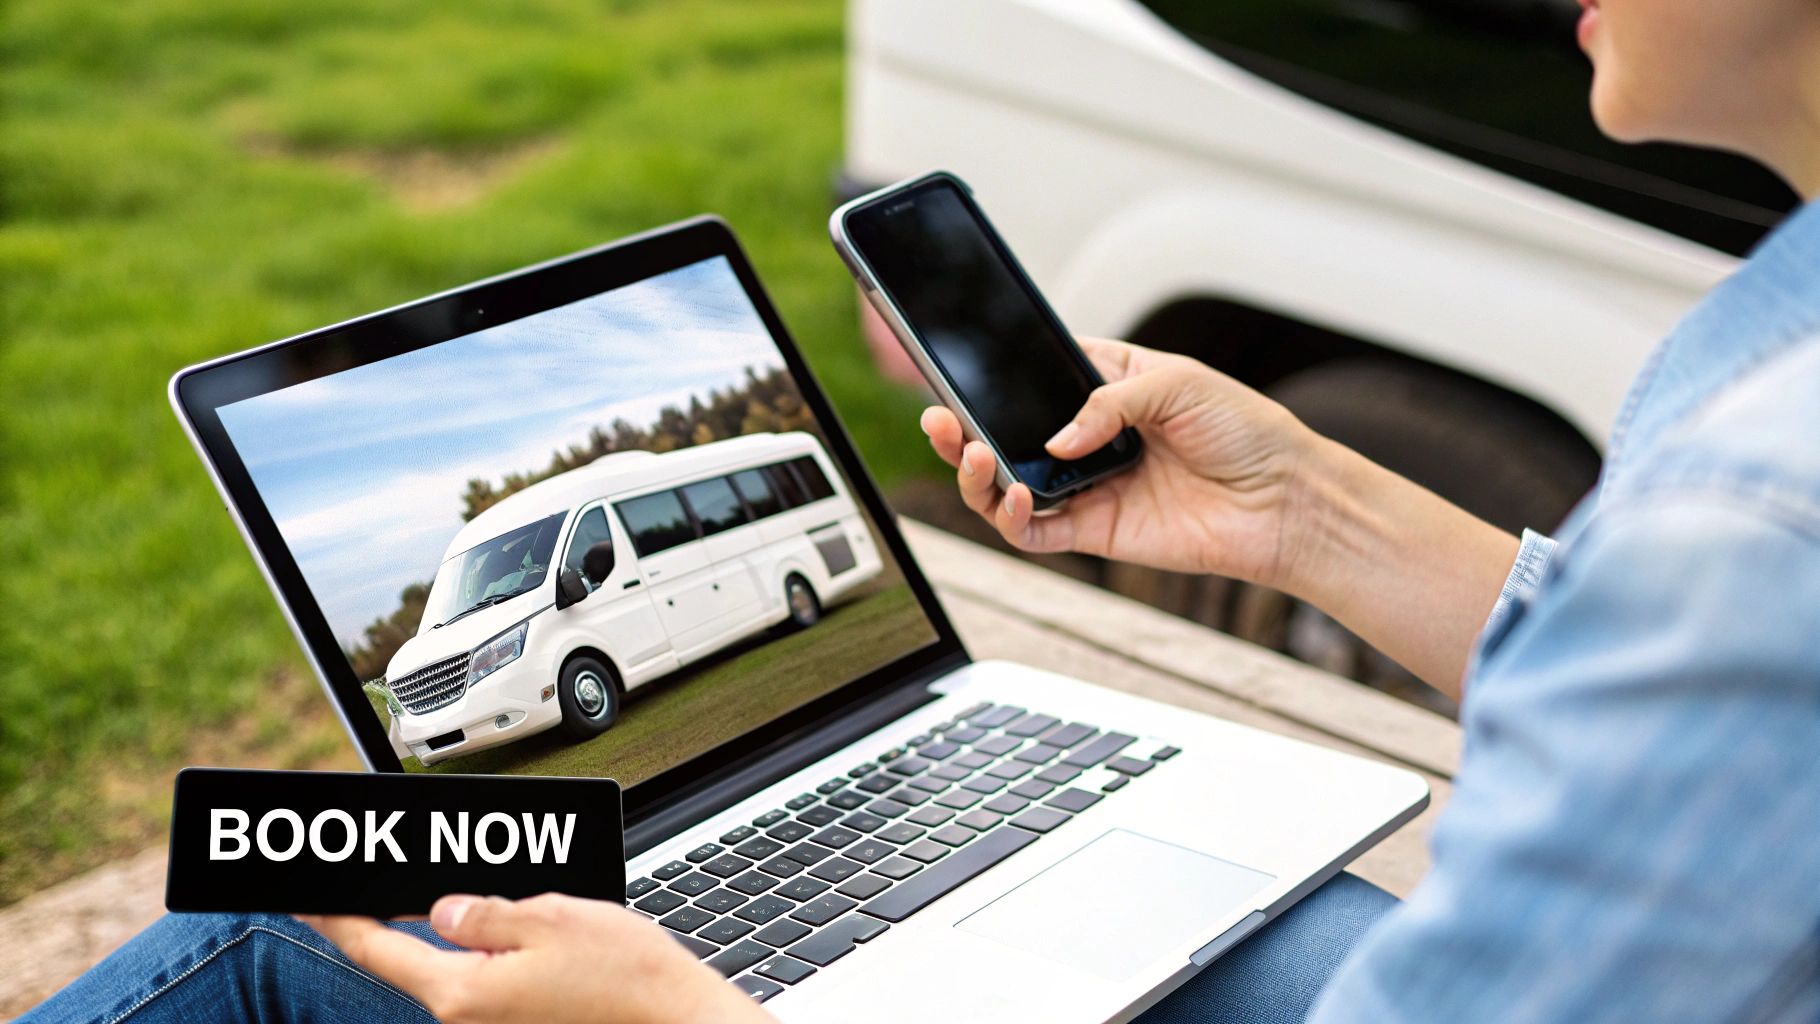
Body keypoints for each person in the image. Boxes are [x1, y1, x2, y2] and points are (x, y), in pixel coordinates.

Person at [23, 0, 1820, 1020]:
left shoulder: (1758, 505)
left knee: (283, 902)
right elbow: (1698, 702)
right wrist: (1305, 514)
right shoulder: (1780, 342)